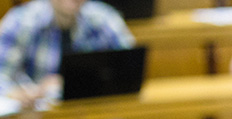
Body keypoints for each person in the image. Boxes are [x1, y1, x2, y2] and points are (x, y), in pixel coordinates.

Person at [0, 0, 134, 108]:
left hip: (89, 109)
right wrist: (22, 92)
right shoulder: (21, 20)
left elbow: (131, 68)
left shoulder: (104, 17)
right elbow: (2, 75)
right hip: (37, 116)